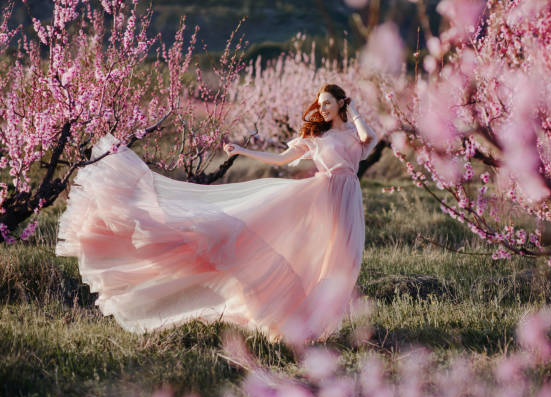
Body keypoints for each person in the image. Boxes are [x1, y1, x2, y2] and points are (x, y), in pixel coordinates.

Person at [55, 83, 378, 343]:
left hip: (348, 197)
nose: (321, 107)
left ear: (340, 104)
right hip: (319, 196)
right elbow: (279, 159)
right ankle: (299, 323)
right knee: (305, 253)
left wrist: (357, 112)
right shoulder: (315, 137)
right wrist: (242, 151)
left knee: (344, 260)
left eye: (327, 103)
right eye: (319, 103)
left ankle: (315, 323)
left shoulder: (351, 133)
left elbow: (368, 139)